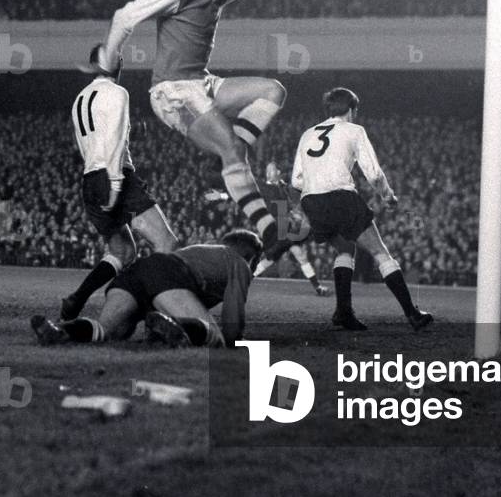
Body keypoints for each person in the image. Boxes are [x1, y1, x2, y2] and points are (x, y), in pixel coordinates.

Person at [97, 0, 334, 256]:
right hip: (172, 92)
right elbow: (124, 17)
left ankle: (225, 160)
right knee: (233, 152)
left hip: (203, 83)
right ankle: (269, 231)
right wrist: (109, 68)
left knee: (272, 91)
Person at [291, 87, 432, 332]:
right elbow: (374, 173)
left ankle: (343, 312)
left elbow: (296, 180)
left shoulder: (307, 134)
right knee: (380, 253)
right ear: (352, 109)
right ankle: (413, 314)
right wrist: (389, 197)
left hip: (311, 201)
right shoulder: (354, 130)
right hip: (341, 197)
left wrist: (318, 184)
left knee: (345, 248)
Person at [60, 45, 179, 320]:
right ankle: (152, 313)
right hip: (114, 177)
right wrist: (115, 183)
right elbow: (114, 140)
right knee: (167, 244)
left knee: (123, 251)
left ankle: (77, 298)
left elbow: (90, 144)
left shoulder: (80, 98)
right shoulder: (117, 92)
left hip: (90, 179)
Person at [31, 229, 262, 348]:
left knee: (110, 331)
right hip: (167, 274)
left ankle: (61, 330)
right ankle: (172, 324)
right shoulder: (239, 263)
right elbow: (233, 318)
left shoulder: (205, 251)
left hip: (137, 272)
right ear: (250, 258)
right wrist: (233, 341)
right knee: (215, 338)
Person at [252, 162, 329, 296]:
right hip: (276, 228)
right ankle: (318, 287)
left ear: (278, 172)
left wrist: (295, 213)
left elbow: (291, 203)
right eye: (267, 171)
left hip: (287, 228)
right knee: (273, 257)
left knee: (297, 256)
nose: (268, 173)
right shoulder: (264, 187)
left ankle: (318, 287)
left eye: (271, 170)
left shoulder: (285, 187)